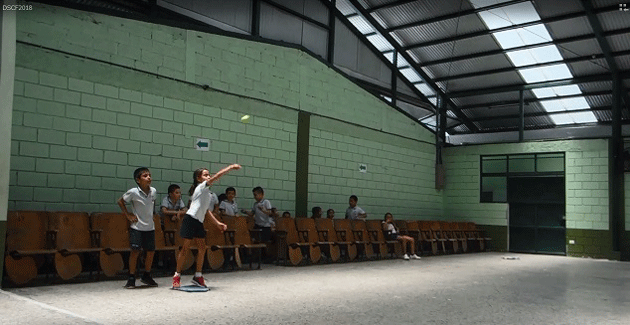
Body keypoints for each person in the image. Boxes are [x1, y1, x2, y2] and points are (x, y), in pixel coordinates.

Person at [172, 164, 241, 289]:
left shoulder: (207, 193)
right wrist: (230, 168)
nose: (208, 176)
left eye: (208, 174)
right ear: (199, 178)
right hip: (190, 219)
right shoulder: (200, 187)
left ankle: (198, 276)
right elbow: (218, 176)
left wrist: (217, 223)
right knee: (185, 249)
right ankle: (177, 275)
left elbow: (206, 211)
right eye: (205, 175)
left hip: (198, 221)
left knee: (202, 248)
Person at [117, 167, 158, 289]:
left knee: (150, 252)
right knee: (135, 252)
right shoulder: (133, 192)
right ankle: (131, 277)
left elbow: (152, 204)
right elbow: (120, 201)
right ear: (138, 180)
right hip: (137, 227)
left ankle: (146, 275)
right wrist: (128, 215)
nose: (149, 177)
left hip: (150, 227)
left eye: (149, 175)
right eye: (145, 176)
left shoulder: (153, 191)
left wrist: (152, 215)